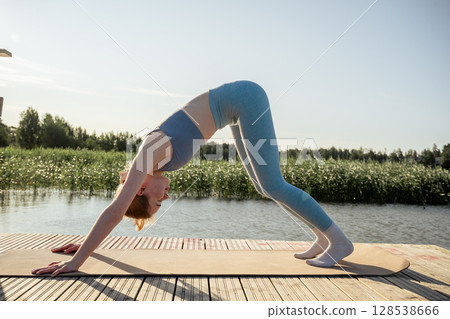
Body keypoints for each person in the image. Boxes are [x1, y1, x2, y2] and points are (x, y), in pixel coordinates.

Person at [31, 80, 353, 277]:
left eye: (158, 200)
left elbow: (116, 210)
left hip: (245, 99)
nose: (166, 198)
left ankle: (338, 241)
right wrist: (88, 246)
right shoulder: (148, 165)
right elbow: (119, 209)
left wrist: (79, 261)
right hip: (237, 107)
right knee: (263, 185)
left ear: (141, 188)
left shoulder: (147, 155)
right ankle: (323, 239)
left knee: (272, 183)